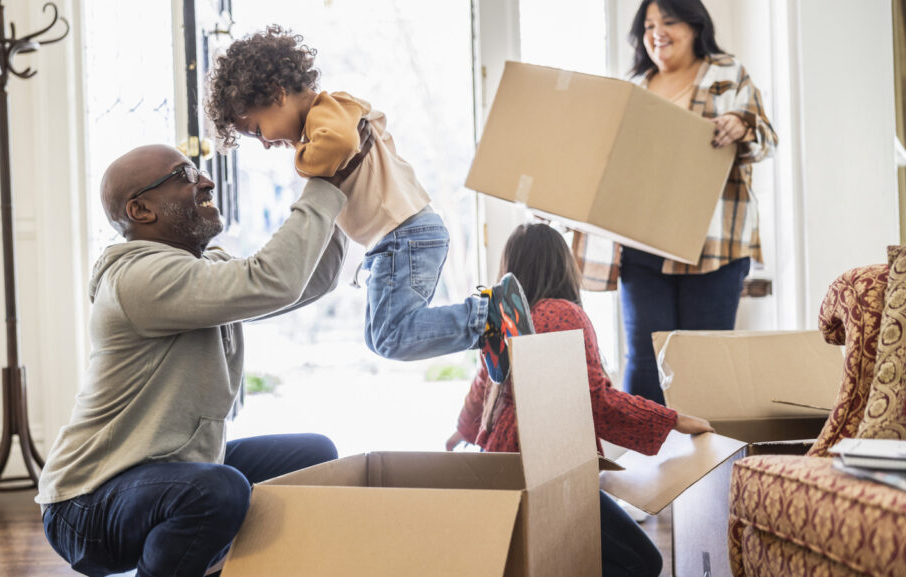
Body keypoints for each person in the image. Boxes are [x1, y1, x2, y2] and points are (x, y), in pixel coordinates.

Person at [37, 143, 354, 577]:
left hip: (166, 472)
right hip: (86, 503)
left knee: (315, 456)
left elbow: (306, 282)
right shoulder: (137, 279)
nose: (205, 181)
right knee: (214, 492)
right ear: (141, 209)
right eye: (184, 176)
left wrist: (339, 188)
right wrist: (323, 185)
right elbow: (273, 280)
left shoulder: (201, 269)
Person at [204, 25, 532, 385]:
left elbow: (341, 143)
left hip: (404, 234)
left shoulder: (327, 111)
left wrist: (301, 160)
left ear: (279, 94)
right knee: (380, 338)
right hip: (401, 236)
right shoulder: (324, 119)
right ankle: (487, 328)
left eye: (256, 130)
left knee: (392, 336)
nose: (264, 143)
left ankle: (486, 316)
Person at [447, 222, 715, 577]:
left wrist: (461, 431)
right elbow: (595, 401)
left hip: (505, 465)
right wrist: (673, 419)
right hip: (547, 469)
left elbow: (484, 387)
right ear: (562, 264)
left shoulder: (503, 320)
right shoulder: (564, 314)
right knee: (642, 561)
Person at [571, 0, 777, 405]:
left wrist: (742, 126)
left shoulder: (727, 72)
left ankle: (707, 462)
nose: (656, 32)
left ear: (695, 25)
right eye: (648, 25)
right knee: (645, 361)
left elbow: (766, 139)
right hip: (642, 243)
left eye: (668, 21)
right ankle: (647, 461)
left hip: (714, 244)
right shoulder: (635, 86)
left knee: (703, 364)